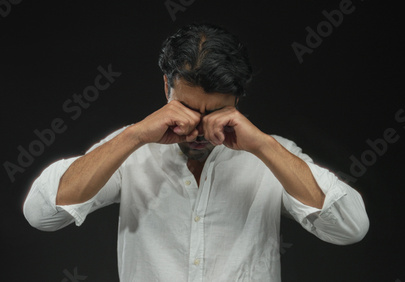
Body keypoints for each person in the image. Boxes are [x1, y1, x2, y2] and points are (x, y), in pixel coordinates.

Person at [23, 23, 369, 281]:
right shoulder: (131, 150)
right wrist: (135, 135)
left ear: (237, 100)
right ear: (166, 86)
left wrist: (263, 145)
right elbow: (42, 214)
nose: (198, 127)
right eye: (186, 107)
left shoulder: (272, 155)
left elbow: (349, 227)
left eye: (215, 111)